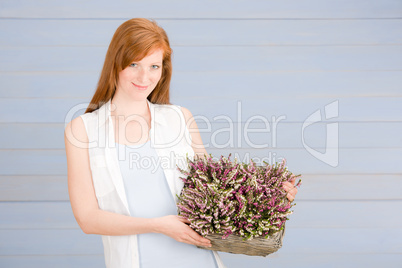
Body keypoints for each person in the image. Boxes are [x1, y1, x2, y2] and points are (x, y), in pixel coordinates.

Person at [64, 18, 298, 268]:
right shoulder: (83, 130)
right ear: (116, 63)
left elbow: (218, 192)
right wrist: (157, 225)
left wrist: (270, 196)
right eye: (134, 64)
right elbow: (87, 219)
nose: (145, 76)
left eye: (154, 66)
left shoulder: (180, 119)